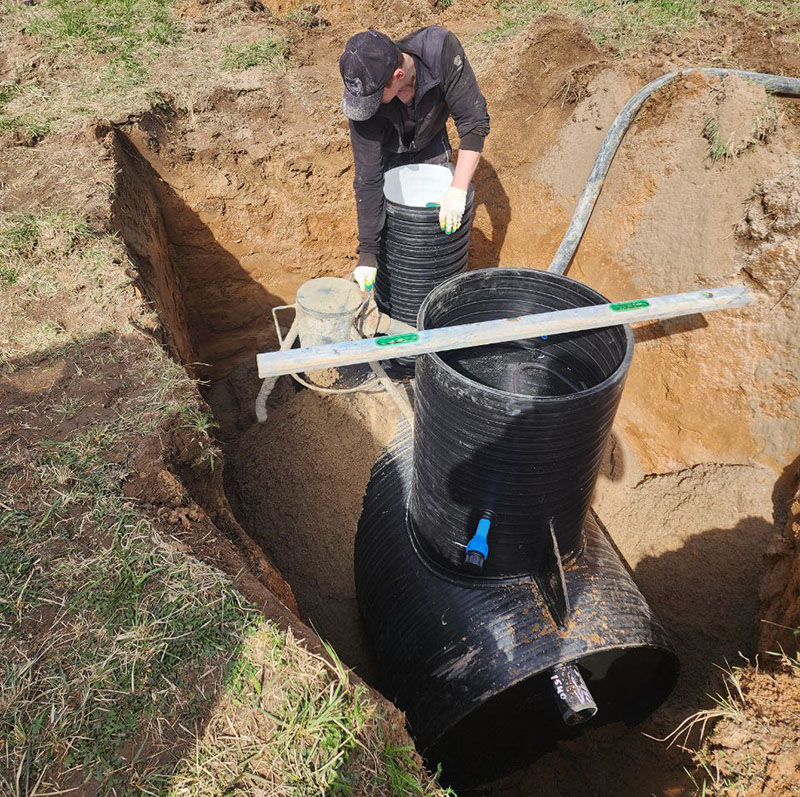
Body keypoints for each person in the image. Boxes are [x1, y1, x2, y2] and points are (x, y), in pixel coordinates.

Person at [339, 27, 490, 290]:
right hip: (389, 154)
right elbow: (368, 178)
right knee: (396, 231)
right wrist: (368, 253)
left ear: (398, 75)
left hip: (431, 145)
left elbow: (473, 122)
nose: (367, 106)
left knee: (436, 232)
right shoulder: (366, 103)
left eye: (375, 98)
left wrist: (457, 191)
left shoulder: (439, 51)